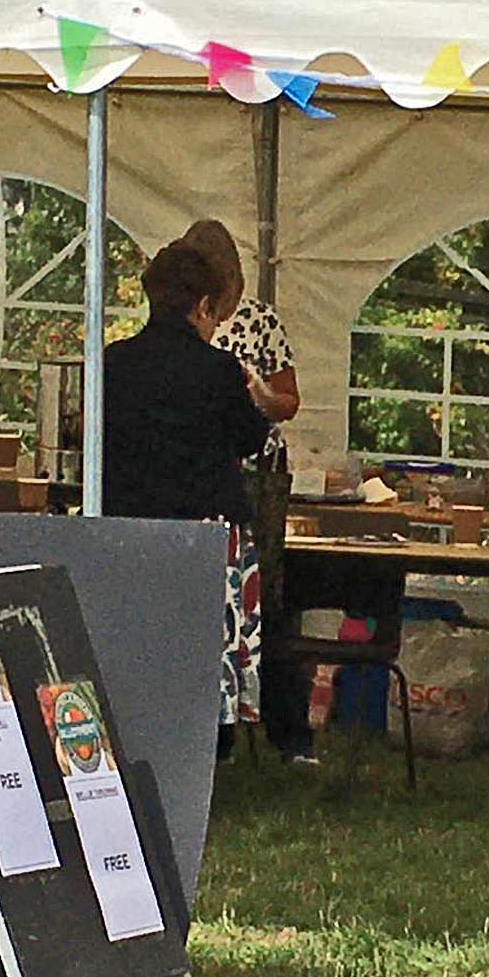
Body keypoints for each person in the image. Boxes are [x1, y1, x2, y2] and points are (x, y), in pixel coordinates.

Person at [101, 239, 271, 760]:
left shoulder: (114, 361)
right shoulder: (218, 369)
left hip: (129, 527)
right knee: (202, 649)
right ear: (202, 306)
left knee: (138, 641)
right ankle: (211, 742)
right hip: (204, 530)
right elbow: (249, 438)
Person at [183, 219, 315, 764]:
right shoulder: (181, 320)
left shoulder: (259, 320)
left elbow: (289, 400)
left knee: (262, 596)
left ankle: (282, 724)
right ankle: (215, 729)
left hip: (256, 474)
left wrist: (255, 391)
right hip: (202, 472)